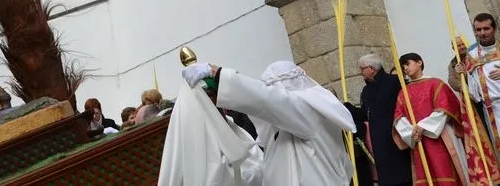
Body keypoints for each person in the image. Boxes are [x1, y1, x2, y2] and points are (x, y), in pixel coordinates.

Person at [183, 60, 356, 185]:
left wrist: (216, 73)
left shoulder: (309, 111)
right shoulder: (285, 128)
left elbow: (268, 100)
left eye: (273, 88)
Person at [393, 52, 500, 186]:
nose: (405, 68)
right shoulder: (403, 91)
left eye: (407, 64)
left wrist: (423, 126)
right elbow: (399, 116)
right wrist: (411, 131)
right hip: (418, 139)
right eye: (402, 66)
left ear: (419, 63)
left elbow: (445, 108)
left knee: (447, 169)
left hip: (440, 134)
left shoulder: (436, 83)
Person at [157, 74, 263, 186]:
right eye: (211, 95)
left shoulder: (231, 126)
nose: (219, 101)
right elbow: (218, 178)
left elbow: (257, 160)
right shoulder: (193, 139)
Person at [358, 53, 413, 186]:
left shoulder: (395, 82)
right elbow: (364, 114)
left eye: (362, 68)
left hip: (396, 138)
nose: (360, 72)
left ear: (372, 69)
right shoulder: (366, 91)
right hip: (379, 145)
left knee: (404, 177)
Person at [465, 13, 500, 151]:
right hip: (491, 108)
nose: (482, 33)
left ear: (494, 29)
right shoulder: (472, 55)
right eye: (478, 29)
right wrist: (464, 73)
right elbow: (474, 92)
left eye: (486, 28)